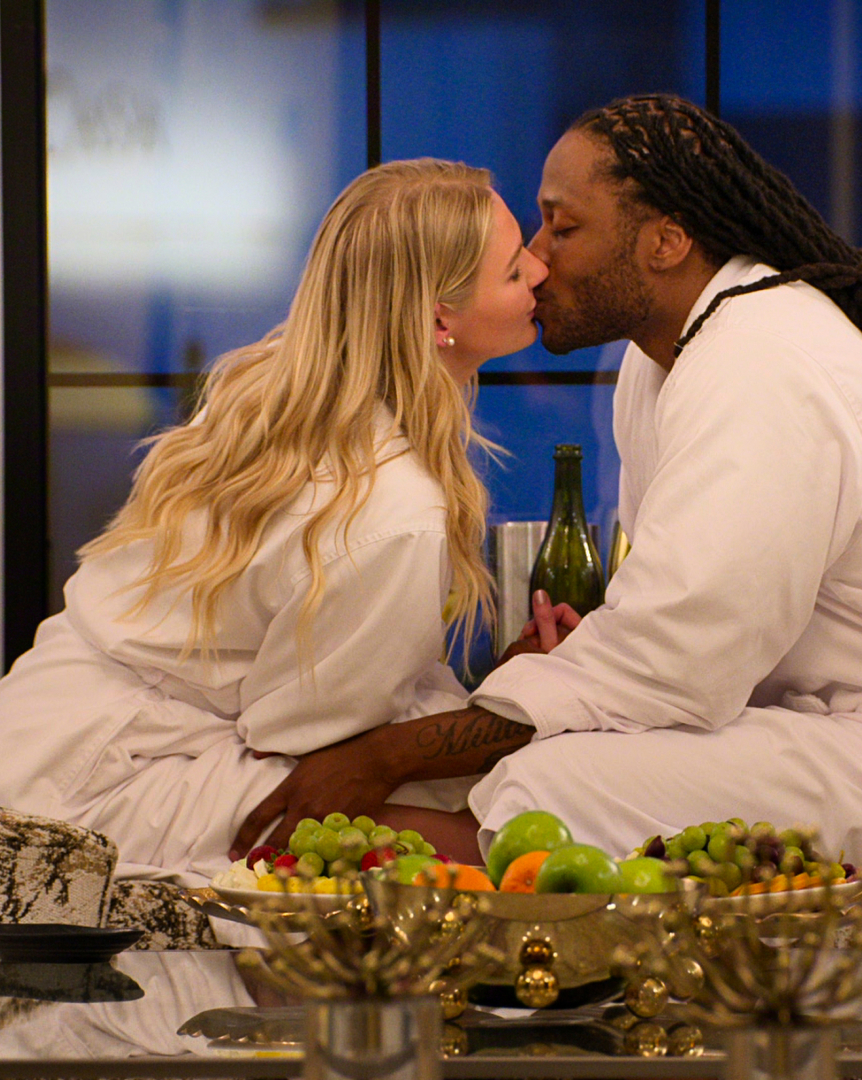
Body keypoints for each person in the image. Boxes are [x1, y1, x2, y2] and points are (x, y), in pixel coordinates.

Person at [235, 95, 862, 878]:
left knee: (556, 781)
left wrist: (386, 755)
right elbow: (677, 621)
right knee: (544, 756)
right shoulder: (662, 358)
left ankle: (310, 876)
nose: (537, 261)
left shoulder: (761, 362)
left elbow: (678, 656)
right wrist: (579, 664)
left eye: (563, 227)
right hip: (844, 725)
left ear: (665, 242)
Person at [0, 158, 547, 885]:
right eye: (514, 269)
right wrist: (505, 710)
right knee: (486, 843)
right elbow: (309, 736)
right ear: (439, 319)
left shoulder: (274, 388)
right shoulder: (393, 510)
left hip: (34, 727)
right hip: (107, 784)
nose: (541, 270)